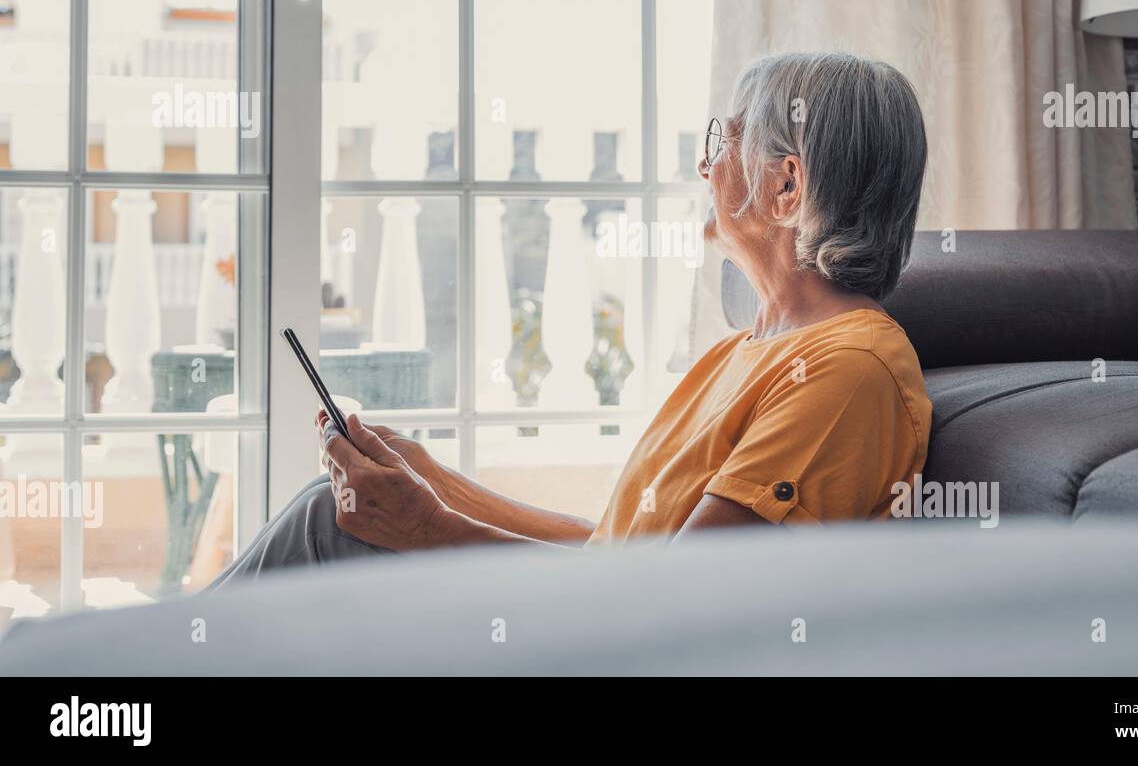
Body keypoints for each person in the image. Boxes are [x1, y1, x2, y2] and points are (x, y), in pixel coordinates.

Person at [211, 50, 931, 585]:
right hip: (596, 627)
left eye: (726, 141)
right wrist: (437, 484)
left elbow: (683, 600)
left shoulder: (846, 373)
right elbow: (614, 549)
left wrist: (429, 528)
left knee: (324, 530)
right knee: (328, 508)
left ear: (786, 185)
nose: (706, 168)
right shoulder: (743, 353)